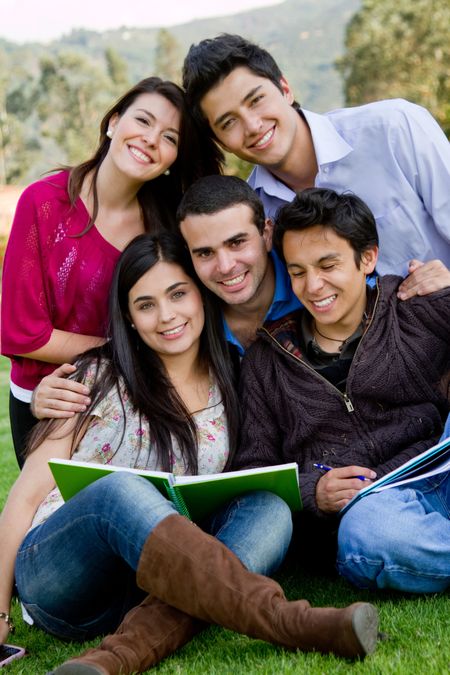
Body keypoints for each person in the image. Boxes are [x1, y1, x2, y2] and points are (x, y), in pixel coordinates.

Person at [0, 232, 379, 675]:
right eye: (146, 305)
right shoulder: (92, 378)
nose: (166, 316)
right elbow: (24, 498)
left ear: (201, 295)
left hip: (160, 583)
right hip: (62, 574)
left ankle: (112, 659)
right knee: (120, 490)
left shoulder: (237, 384)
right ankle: (289, 622)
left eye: (178, 294)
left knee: (269, 510)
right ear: (130, 316)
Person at [234, 187, 450, 593]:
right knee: (366, 538)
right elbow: (253, 471)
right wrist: (311, 491)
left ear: (366, 258)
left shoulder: (411, 305)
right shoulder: (267, 360)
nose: (313, 285)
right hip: (377, 512)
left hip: (442, 470)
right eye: (297, 271)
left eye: (327, 265)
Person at [1, 75, 219, 467]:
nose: (153, 139)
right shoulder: (44, 203)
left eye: (170, 138)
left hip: (134, 396)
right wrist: (127, 347)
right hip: (51, 396)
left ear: (173, 159)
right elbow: (21, 334)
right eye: (144, 121)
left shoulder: (165, 225)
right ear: (113, 122)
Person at [181, 33, 450, 282]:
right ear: (221, 142)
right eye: (229, 122)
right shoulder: (256, 215)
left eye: (256, 100)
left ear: (285, 89)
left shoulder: (395, 129)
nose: (252, 125)